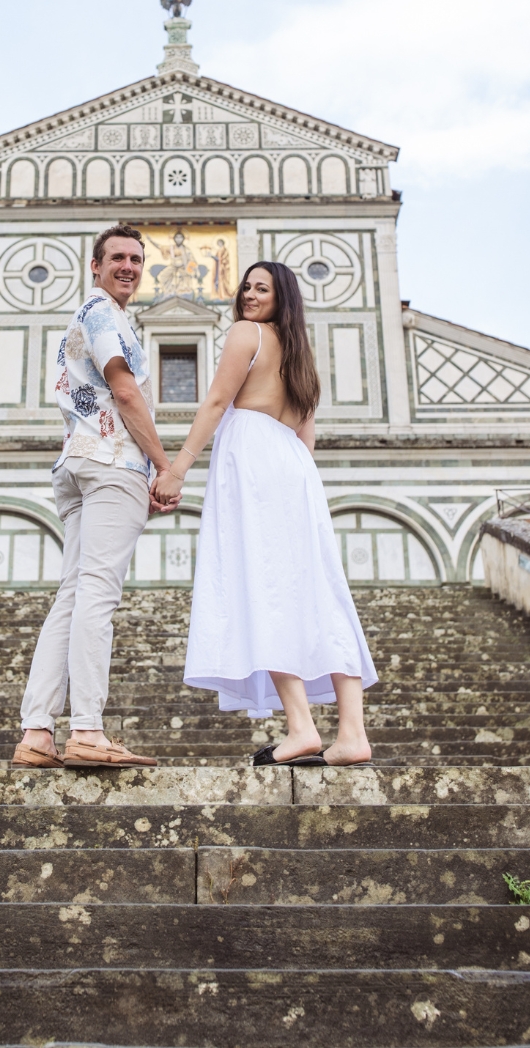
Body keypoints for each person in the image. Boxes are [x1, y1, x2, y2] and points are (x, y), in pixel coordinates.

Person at [151, 261, 378, 767]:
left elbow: (214, 402)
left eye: (262, 289)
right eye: (247, 287)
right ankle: (352, 734)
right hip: (295, 468)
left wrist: (178, 468)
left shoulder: (244, 334)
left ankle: (300, 728)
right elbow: (307, 438)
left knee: (266, 588)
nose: (250, 295)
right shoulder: (300, 353)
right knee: (319, 593)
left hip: (253, 461)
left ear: (282, 298)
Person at [13, 224, 177, 769]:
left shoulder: (97, 315)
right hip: (112, 463)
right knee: (98, 595)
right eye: (117, 258)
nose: (128, 266)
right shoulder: (104, 314)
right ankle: (86, 728)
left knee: (72, 595)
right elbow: (125, 390)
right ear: (95, 265)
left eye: (136, 258)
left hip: (77, 462)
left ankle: (37, 731)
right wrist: (163, 464)